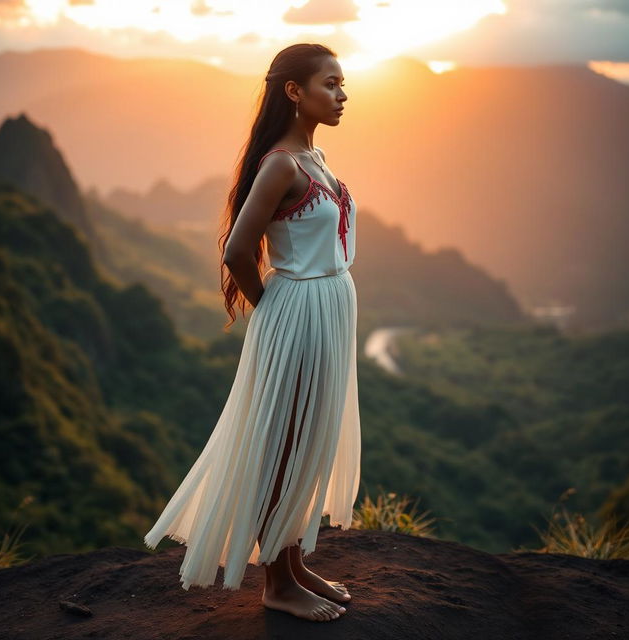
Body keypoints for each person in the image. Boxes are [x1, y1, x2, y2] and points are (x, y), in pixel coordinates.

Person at [144, 43, 361, 623]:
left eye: (343, 85)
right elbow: (238, 250)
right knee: (285, 442)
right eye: (331, 84)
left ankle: (291, 565)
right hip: (297, 309)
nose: (342, 95)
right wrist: (272, 309)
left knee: (309, 434)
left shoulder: (315, 158)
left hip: (329, 308)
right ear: (295, 91)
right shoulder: (281, 165)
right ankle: (275, 585)